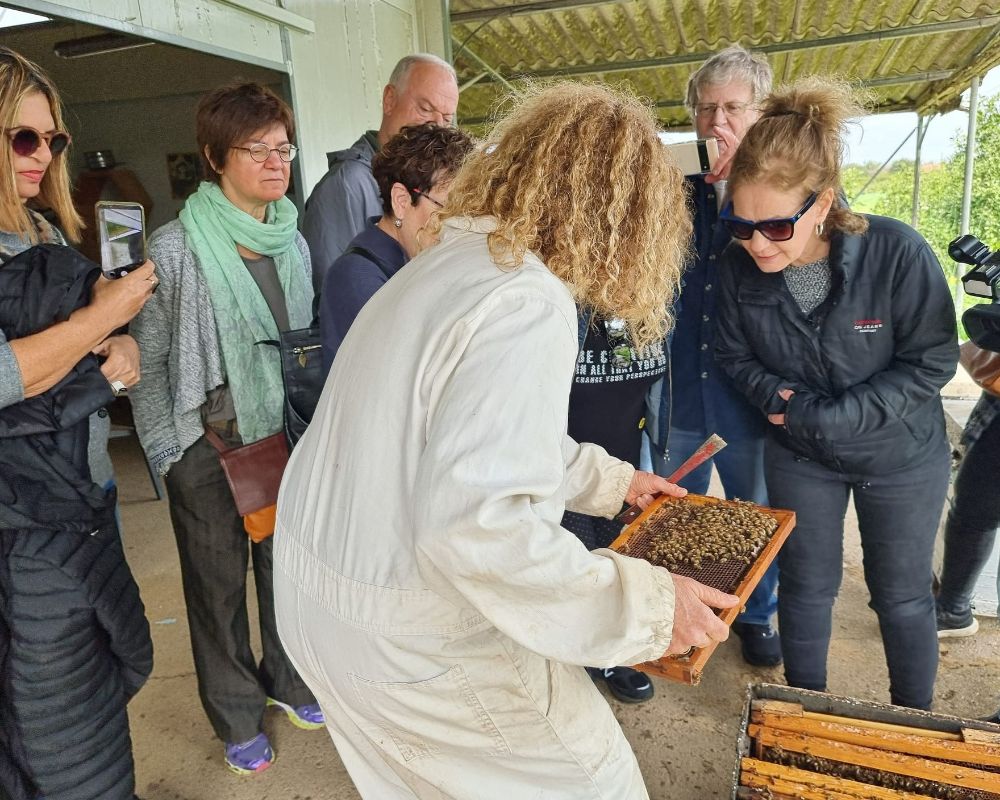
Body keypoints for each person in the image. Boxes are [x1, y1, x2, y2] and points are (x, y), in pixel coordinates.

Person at [274, 82, 739, 800]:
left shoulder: (439, 268)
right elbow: (476, 524)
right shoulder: (524, 298)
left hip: (323, 604)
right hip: (407, 637)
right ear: (624, 217)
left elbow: (465, 444)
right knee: (599, 783)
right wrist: (646, 606)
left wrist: (613, 483)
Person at [715, 77, 958, 710]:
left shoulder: (896, 252)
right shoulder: (737, 266)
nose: (757, 243)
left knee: (901, 595)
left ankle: (912, 719)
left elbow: (930, 361)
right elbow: (733, 354)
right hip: (801, 455)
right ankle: (808, 715)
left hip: (900, 456)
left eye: (774, 226)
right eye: (741, 225)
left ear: (821, 204)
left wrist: (822, 415)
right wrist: (787, 404)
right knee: (805, 587)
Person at [129, 81, 321, 775]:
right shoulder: (176, 247)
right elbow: (148, 363)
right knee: (213, 589)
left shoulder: (290, 238)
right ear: (214, 156)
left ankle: (293, 681)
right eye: (256, 148)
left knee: (285, 568)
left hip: (280, 435)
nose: (276, 162)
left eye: (282, 147)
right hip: (207, 445)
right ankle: (238, 715)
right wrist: (168, 451)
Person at [0, 46, 154, 800]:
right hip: (18, 529)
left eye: (52, 138)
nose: (43, 155)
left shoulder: (42, 233)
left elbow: (90, 335)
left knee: (94, 704)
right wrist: (103, 315)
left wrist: (117, 339)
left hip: (82, 507)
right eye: (22, 138)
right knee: (46, 736)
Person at [647, 45, 781, 667]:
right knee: (679, 516)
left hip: (748, 394)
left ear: (760, 113)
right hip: (680, 386)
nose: (716, 123)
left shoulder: (776, 193)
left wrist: (734, 184)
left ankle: (757, 614)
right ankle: (689, 614)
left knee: (754, 512)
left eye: (731, 108)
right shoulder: (669, 188)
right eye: (705, 110)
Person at [567, 312, 669, 704]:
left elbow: (636, 375)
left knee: (621, 561)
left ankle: (616, 653)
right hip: (565, 474)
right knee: (578, 567)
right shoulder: (549, 303)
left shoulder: (635, 309)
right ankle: (581, 657)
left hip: (625, 467)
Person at [320, 122, 472, 370]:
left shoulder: (417, 262)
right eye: (448, 209)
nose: (459, 225)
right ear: (401, 201)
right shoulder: (355, 278)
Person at [302, 53, 459, 292]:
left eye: (447, 119)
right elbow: (339, 294)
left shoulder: (426, 182)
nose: (436, 127)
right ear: (389, 99)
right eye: (425, 109)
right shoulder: (348, 185)